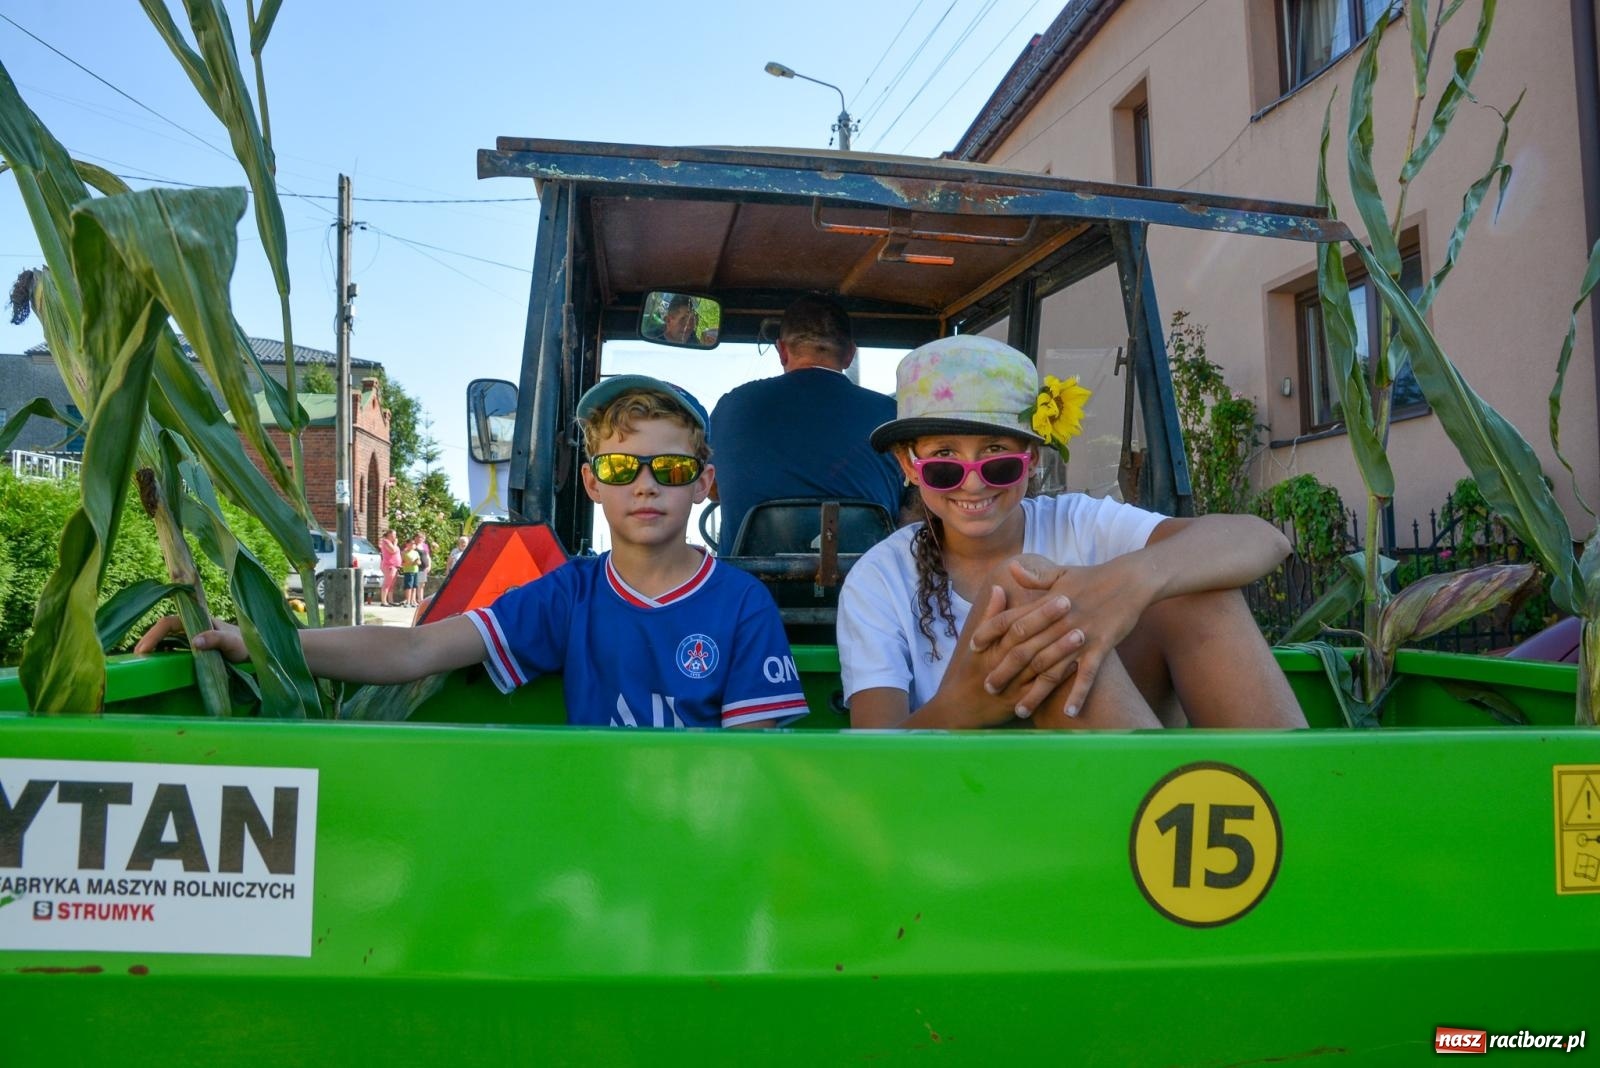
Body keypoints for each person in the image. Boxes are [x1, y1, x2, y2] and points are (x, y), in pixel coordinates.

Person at [137, 376, 809, 730]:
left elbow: (749, 765)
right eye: (619, 468)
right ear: (590, 483)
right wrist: (255, 639)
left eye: (669, 467)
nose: (645, 485)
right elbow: (413, 650)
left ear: (703, 483)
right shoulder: (569, 594)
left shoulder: (740, 605)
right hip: (599, 827)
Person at [837, 335, 1306, 731]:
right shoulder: (879, 579)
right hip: (962, 792)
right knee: (1026, 587)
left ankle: (1279, 796)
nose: (973, 482)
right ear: (909, 466)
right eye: (944, 460)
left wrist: (1122, 589)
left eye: (997, 456)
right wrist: (968, 703)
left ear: (1032, 459)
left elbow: (1265, 540)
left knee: (1193, 585)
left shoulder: (1078, 521)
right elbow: (874, 761)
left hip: (1095, 762)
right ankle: (1159, 801)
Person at [708, 293, 903, 555]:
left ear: (782, 351)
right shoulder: (891, 414)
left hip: (748, 577)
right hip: (869, 576)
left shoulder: (732, 406)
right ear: (849, 354)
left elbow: (713, 490)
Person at [378, 529, 401, 607]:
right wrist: (396, 543)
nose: (395, 536)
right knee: (387, 583)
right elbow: (392, 550)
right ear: (389, 535)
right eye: (393, 535)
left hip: (395, 566)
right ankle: (384, 601)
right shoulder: (386, 542)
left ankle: (390, 600)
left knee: (391, 584)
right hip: (389, 565)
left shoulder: (392, 543)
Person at [400, 536, 422, 608]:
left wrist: (417, 562)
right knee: (408, 587)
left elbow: (419, 562)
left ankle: (413, 601)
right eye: (411, 543)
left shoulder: (416, 552)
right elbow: (401, 563)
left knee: (414, 586)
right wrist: (410, 563)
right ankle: (408, 601)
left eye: (413, 544)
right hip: (408, 571)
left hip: (415, 570)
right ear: (407, 544)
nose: (413, 545)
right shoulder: (404, 553)